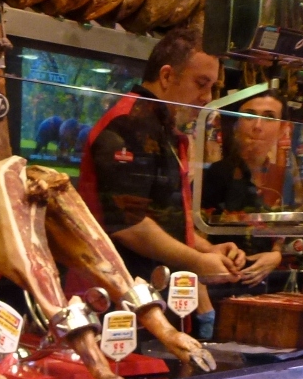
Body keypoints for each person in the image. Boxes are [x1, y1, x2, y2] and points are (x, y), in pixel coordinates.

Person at [79, 27, 244, 339]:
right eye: (201, 84)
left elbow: (163, 217)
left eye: (212, 87)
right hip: (116, 299)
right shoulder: (129, 123)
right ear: (167, 76)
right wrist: (198, 261)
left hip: (153, 296)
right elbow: (128, 224)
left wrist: (208, 248)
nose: (207, 98)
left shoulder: (163, 127)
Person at [201, 91, 287, 290]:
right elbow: (191, 233)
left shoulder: (283, 176)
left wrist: (277, 254)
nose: (258, 126)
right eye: (249, 116)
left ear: (283, 129)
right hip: (223, 283)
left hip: (274, 285)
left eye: (269, 117)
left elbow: (293, 229)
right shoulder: (216, 174)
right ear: (236, 125)